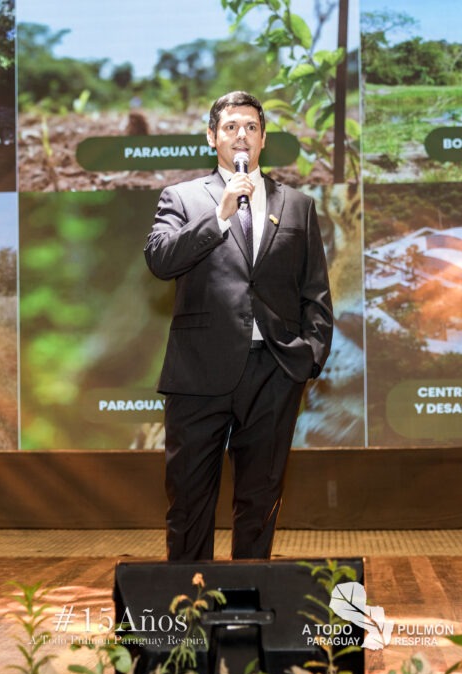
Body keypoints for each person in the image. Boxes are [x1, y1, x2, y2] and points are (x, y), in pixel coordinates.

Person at [144, 91, 333, 561]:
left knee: (260, 499)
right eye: (230, 127)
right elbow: (160, 261)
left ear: (264, 138)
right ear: (212, 138)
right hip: (199, 372)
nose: (240, 135)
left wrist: (308, 356)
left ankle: (251, 607)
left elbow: (316, 292)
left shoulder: (298, 206)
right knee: (189, 500)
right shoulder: (183, 198)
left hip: (274, 370)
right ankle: (187, 613)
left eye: (250, 127)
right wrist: (220, 214)